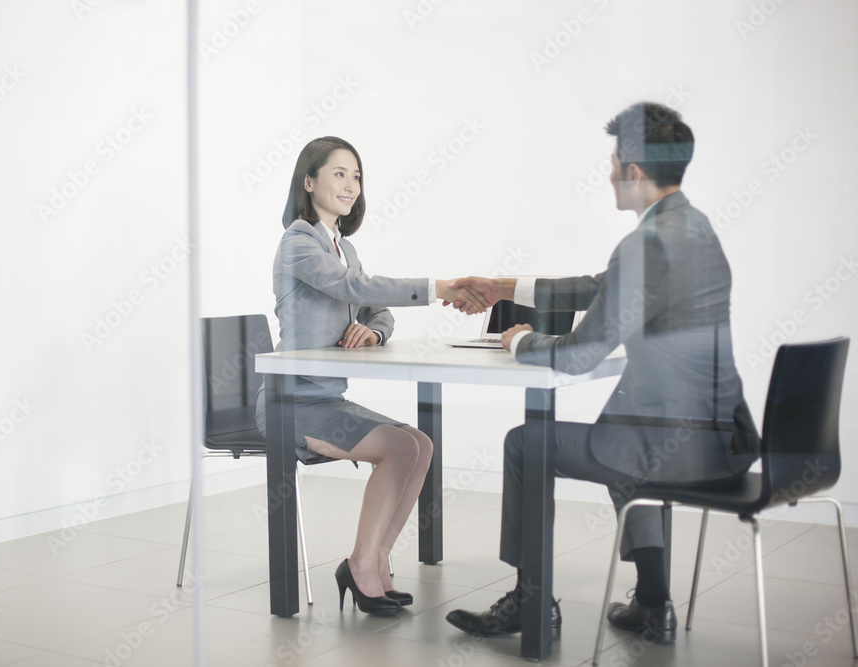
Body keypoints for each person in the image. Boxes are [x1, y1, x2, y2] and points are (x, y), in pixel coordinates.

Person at [444, 103, 760, 642]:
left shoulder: (646, 243)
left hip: (671, 448)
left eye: (615, 161)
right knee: (625, 437)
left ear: (635, 172)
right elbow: (602, 285)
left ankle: (532, 600)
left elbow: (577, 356)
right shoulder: (696, 228)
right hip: (721, 442)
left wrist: (520, 338)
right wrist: (505, 287)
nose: (611, 171)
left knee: (527, 444)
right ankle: (654, 605)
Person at [255, 136, 487, 614]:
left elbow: (376, 308)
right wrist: (438, 287)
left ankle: (374, 560)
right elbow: (355, 287)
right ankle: (361, 564)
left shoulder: (346, 249)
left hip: (328, 400)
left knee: (420, 444)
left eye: (356, 175)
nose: (350, 184)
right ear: (309, 181)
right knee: (401, 447)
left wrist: (373, 333)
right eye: (338, 173)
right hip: (291, 403)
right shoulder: (298, 242)